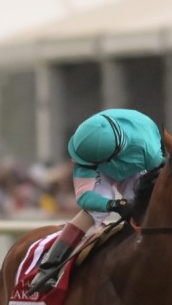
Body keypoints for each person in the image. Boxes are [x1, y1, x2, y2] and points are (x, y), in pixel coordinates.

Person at [27, 109, 164, 294]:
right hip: (107, 162)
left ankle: (151, 263)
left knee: (143, 210)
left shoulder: (150, 150)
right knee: (94, 211)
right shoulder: (85, 143)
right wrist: (113, 204)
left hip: (136, 165)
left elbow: (158, 182)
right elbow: (85, 198)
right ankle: (48, 267)